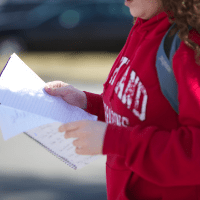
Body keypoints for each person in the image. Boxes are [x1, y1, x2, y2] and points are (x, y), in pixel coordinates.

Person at [44, 0, 200, 199]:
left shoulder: (187, 44)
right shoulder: (143, 27)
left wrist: (114, 140)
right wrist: (86, 103)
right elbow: (134, 111)